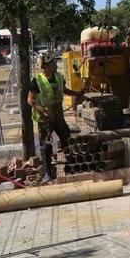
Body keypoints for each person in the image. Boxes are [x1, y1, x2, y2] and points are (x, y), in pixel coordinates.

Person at [27, 51, 84, 183]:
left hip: (58, 117)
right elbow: (30, 99)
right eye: (53, 63)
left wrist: (77, 94)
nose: (56, 65)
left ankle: (72, 166)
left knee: (67, 140)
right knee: (46, 146)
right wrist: (42, 110)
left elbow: (64, 90)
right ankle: (48, 173)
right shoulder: (37, 81)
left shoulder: (58, 77)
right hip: (45, 120)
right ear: (46, 65)